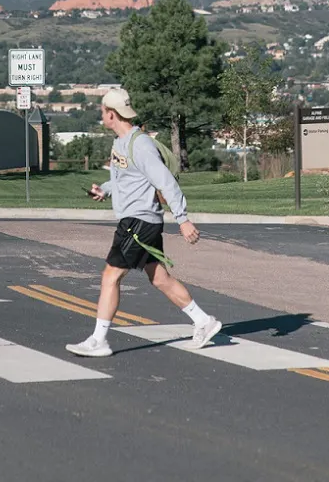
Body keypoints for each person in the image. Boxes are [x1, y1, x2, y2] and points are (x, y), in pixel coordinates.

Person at [66, 86, 221, 358]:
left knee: (110, 276)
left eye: (103, 111)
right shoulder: (120, 144)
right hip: (138, 220)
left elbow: (166, 181)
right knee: (159, 278)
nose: (101, 115)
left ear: (112, 114)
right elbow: (123, 178)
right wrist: (105, 189)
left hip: (137, 222)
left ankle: (99, 340)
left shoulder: (141, 144)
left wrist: (182, 219)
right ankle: (204, 321)